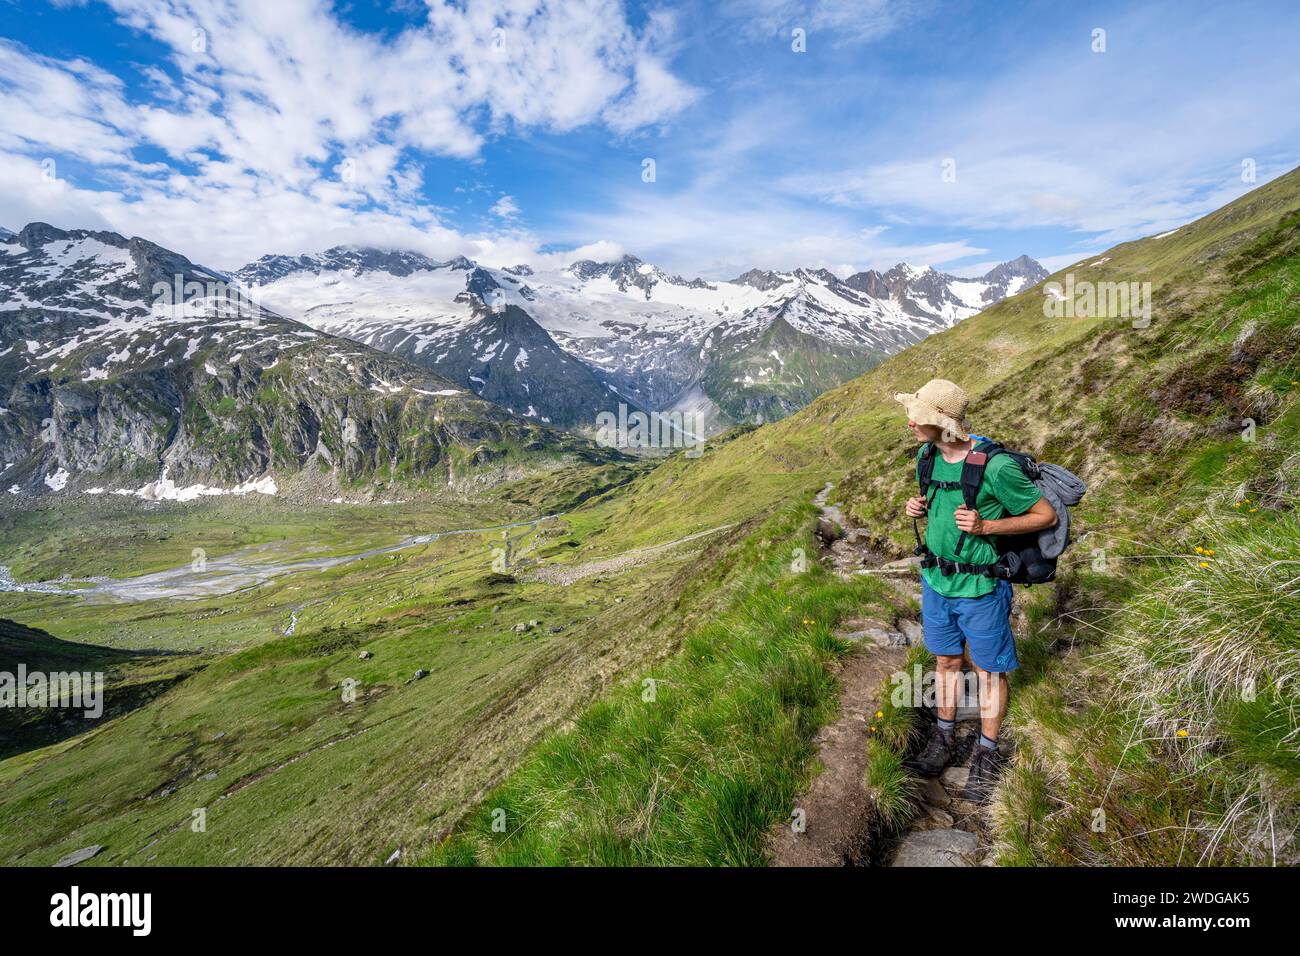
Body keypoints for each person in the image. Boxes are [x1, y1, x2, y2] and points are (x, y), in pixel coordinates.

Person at [894, 379, 1058, 802]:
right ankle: (944, 736)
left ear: (942, 421)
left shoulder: (997, 468)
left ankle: (987, 752)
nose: (910, 422)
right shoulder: (925, 456)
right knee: (946, 660)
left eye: (919, 416)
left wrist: (989, 527)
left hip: (982, 586)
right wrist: (920, 507)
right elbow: (939, 505)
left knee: (988, 671)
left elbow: (1045, 516)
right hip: (936, 582)